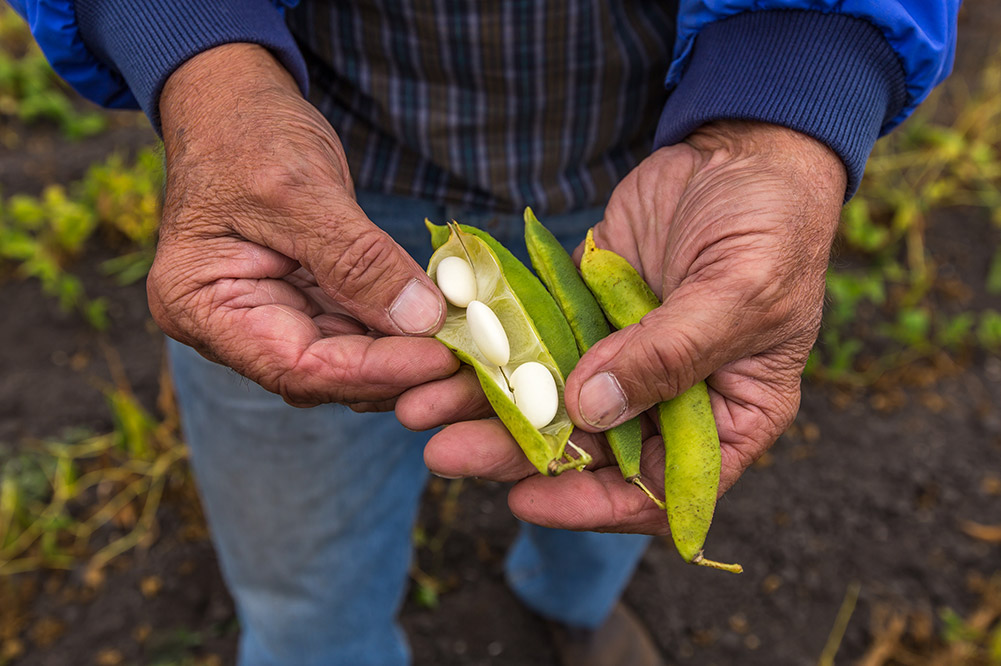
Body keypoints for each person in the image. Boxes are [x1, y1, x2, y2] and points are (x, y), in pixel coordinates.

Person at [12, 1, 959, 664]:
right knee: (298, 554)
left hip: (653, 172)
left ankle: (570, 611)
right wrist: (203, 66)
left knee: (625, 464)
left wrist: (787, 100)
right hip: (302, 175)